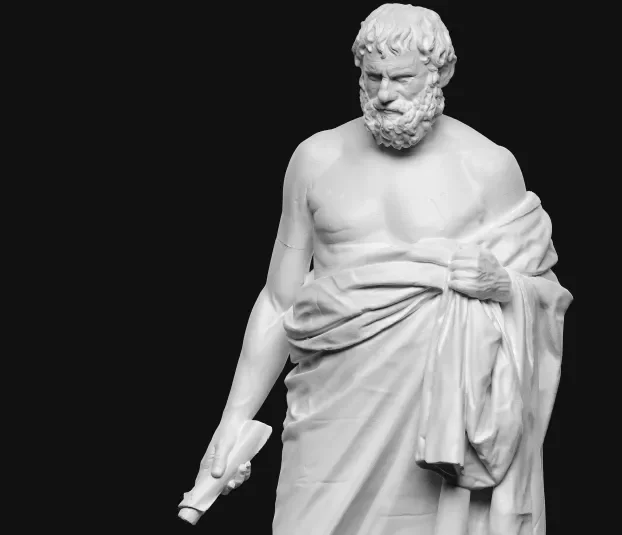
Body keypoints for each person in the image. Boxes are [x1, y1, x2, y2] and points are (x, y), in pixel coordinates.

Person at [190, 4, 572, 534]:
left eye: (402, 78)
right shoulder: (316, 159)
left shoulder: (487, 168)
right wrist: (233, 419)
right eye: (373, 77)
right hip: (332, 411)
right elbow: (279, 299)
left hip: (438, 422)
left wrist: (504, 284)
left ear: (440, 74)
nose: (385, 94)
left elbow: (544, 298)